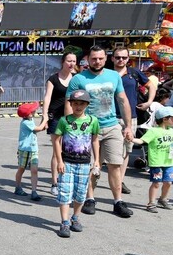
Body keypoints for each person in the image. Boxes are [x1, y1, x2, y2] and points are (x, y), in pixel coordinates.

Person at [66, 45, 133, 218]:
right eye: (94, 58)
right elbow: (69, 102)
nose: (97, 61)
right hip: (87, 128)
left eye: (100, 58)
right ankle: (90, 199)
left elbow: (123, 100)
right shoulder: (78, 79)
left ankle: (118, 202)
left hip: (111, 126)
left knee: (115, 165)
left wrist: (128, 126)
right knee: (91, 166)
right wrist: (69, 126)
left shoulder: (114, 76)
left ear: (106, 58)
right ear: (88, 60)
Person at [53, 90, 100, 237]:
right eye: (75, 103)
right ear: (71, 104)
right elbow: (56, 140)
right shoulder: (64, 121)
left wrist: (97, 160)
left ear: (87, 105)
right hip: (67, 163)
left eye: (82, 103)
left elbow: (95, 140)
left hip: (84, 164)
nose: (78, 106)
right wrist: (59, 161)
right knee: (64, 193)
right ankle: (65, 222)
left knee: (80, 195)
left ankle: (75, 218)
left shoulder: (93, 121)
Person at [112, 47, 157, 195]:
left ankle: (119, 181)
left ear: (128, 59)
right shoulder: (107, 73)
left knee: (126, 150)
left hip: (130, 118)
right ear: (112, 58)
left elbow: (150, 85)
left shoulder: (134, 73)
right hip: (109, 117)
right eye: (118, 57)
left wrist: (149, 102)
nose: (121, 60)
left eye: (124, 58)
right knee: (102, 150)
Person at [39, 52, 78, 196]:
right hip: (56, 117)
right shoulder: (53, 79)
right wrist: (44, 116)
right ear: (63, 62)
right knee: (57, 151)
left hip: (73, 118)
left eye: (74, 61)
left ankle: (68, 180)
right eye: (69, 60)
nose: (72, 63)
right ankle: (55, 183)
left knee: (72, 150)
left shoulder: (77, 78)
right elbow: (47, 97)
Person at [131, 107, 173, 213]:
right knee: (156, 183)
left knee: (168, 182)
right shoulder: (154, 131)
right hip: (156, 163)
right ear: (164, 119)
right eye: (172, 118)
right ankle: (151, 203)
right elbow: (141, 141)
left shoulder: (171, 131)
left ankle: (163, 199)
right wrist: (131, 139)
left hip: (169, 162)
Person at [15, 102, 44, 201]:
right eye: (33, 110)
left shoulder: (30, 120)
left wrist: (44, 124)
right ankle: (18, 187)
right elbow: (39, 128)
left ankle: (34, 191)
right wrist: (45, 120)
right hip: (25, 150)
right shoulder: (26, 122)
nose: (35, 110)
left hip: (33, 149)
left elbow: (37, 130)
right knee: (21, 169)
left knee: (34, 170)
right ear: (28, 114)